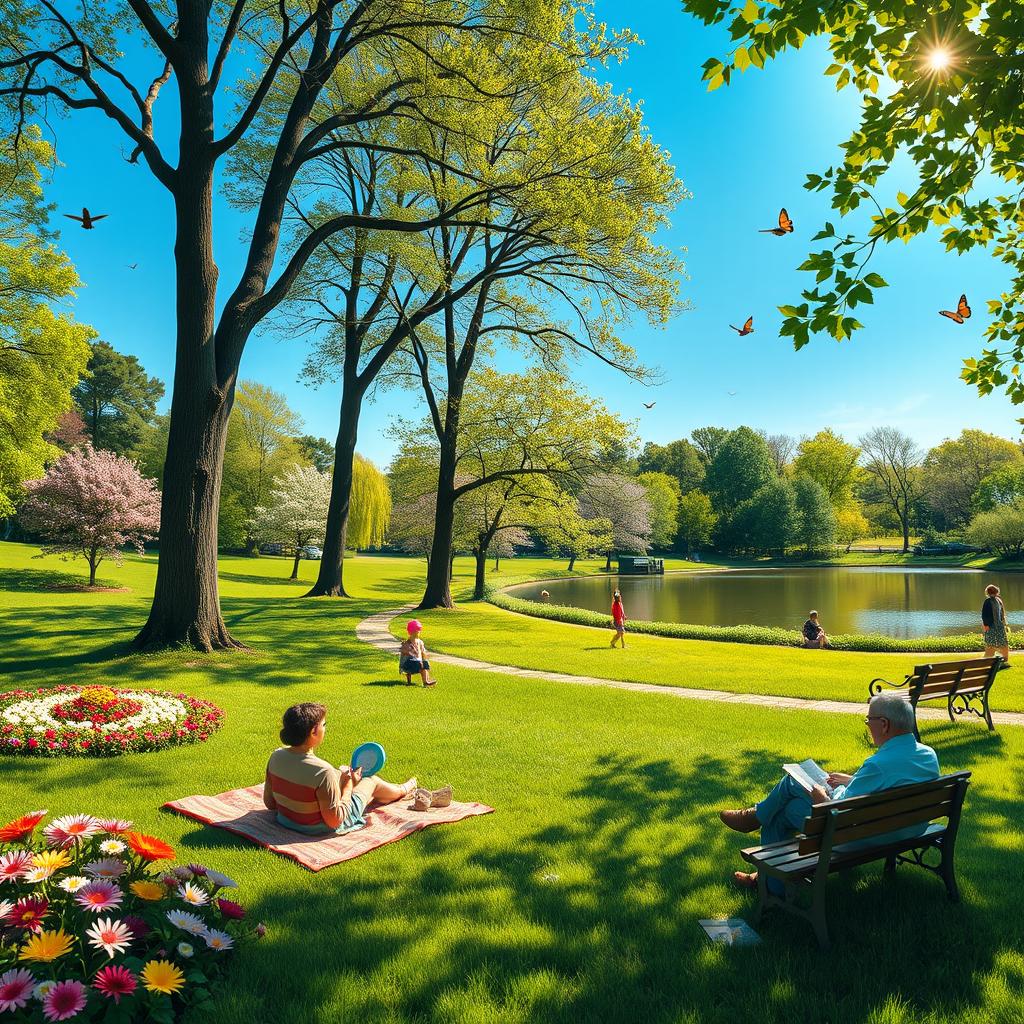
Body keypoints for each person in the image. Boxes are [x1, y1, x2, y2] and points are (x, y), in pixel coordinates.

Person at [718, 693, 939, 891]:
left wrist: (821, 796)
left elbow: (839, 807)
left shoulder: (878, 764)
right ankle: (763, 869)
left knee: (789, 791)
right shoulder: (927, 754)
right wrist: (852, 780)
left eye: (868, 720)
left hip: (860, 837)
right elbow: (893, 783)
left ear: (884, 724)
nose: (867, 725)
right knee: (791, 807)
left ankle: (756, 823)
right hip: (908, 829)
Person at [263, 702, 431, 836]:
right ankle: (403, 790)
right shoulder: (323, 772)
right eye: (324, 724)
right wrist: (348, 787)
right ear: (314, 731)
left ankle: (393, 789)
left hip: (285, 820)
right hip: (316, 828)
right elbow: (334, 821)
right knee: (370, 781)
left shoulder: (276, 756)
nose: (325, 728)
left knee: (340, 776)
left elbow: (270, 804)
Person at [982, 584, 1011, 668]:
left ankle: (987, 661)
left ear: (987, 592)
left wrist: (986, 625)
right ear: (997, 592)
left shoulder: (988, 601)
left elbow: (984, 615)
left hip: (992, 626)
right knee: (1002, 644)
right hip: (999, 626)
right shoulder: (998, 600)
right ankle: (1003, 661)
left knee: (991, 644)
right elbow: (1002, 615)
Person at [399, 619, 435, 686]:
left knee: (424, 664)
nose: (418, 632)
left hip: (418, 663)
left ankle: (426, 682)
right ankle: (413, 682)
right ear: (411, 632)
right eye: (416, 631)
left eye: (419, 630)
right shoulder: (407, 643)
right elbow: (405, 656)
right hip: (407, 665)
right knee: (420, 664)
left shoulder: (420, 642)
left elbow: (423, 653)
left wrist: (425, 659)